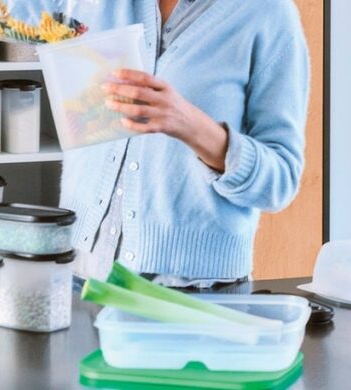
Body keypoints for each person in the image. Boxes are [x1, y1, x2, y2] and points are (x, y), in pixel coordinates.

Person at [59, 0, 310, 287]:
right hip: (76, 275)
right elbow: (7, 15)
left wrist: (193, 127)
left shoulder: (267, 12)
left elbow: (280, 182)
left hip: (195, 294)